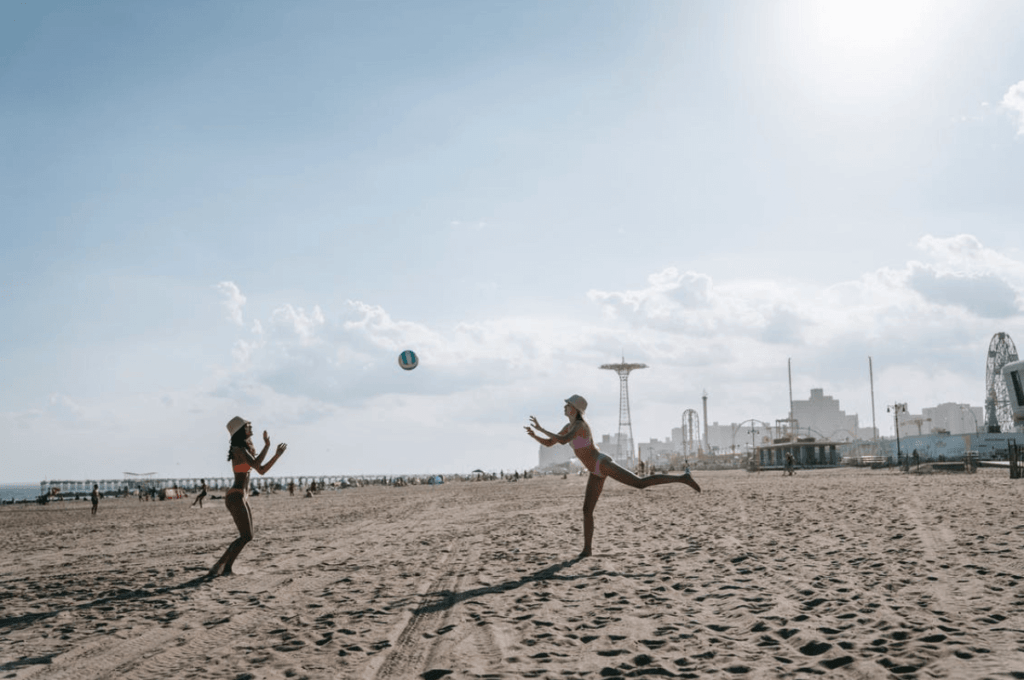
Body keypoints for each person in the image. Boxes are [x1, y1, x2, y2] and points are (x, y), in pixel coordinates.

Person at [525, 395, 700, 558]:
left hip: (602, 464)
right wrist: (535, 436)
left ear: (574, 409)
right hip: (594, 471)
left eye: (567, 405)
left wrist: (541, 428)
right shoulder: (568, 427)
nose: (564, 407)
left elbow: (563, 441)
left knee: (639, 483)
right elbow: (550, 443)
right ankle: (587, 550)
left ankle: (683, 478)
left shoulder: (579, 426)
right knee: (587, 510)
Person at [209, 417, 287, 577]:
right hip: (235, 496)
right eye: (248, 426)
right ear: (241, 431)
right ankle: (219, 566)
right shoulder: (239, 449)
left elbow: (261, 470)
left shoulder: (243, 448)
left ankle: (226, 567)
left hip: (242, 497)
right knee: (245, 536)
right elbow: (258, 464)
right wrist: (268, 447)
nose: (251, 428)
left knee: (248, 536)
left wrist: (274, 453)